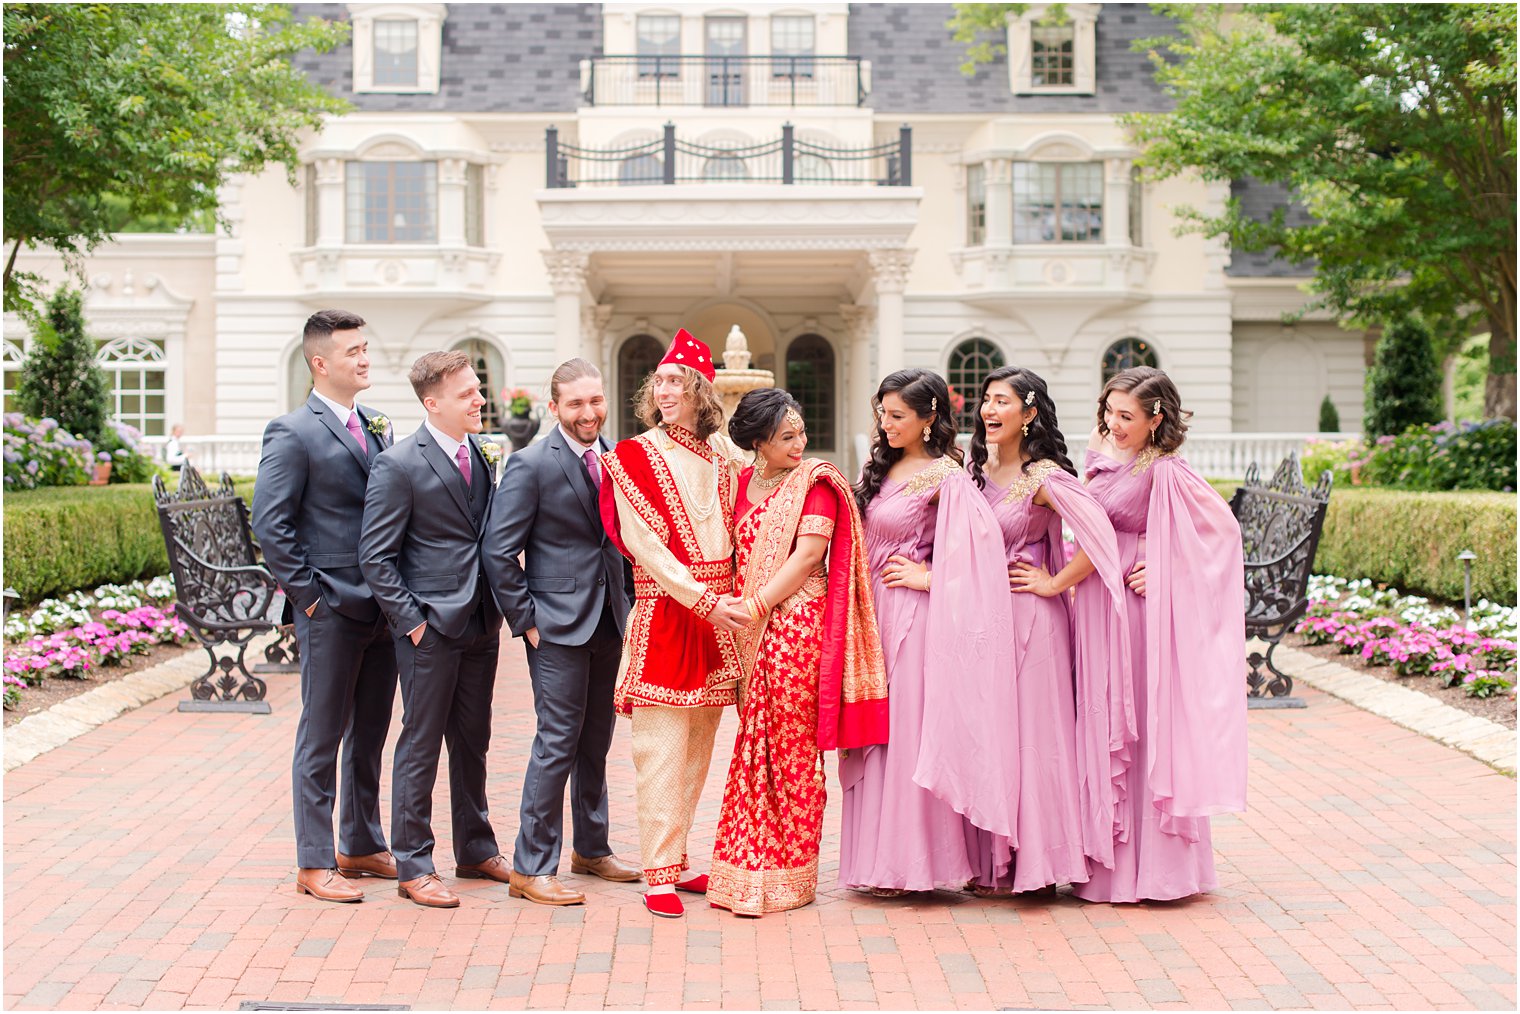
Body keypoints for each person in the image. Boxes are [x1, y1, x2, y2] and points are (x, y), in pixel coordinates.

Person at [708, 389, 887, 917]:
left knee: (790, 752)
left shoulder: (816, 484)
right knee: (751, 748)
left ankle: (790, 876)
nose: (800, 443)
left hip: (795, 630)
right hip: (750, 630)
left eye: (801, 433)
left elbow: (809, 556)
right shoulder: (741, 484)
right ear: (759, 443)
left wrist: (757, 603)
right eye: (787, 437)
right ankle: (743, 870)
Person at [839, 368, 1017, 896]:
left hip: (913, 620)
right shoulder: (885, 467)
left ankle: (911, 865)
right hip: (869, 617)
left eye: (897, 416)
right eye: (882, 414)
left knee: (905, 736)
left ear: (928, 418)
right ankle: (876, 861)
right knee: (873, 735)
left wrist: (930, 575)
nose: (885, 424)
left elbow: (983, 556)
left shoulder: (948, 477)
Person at [1075, 365, 1247, 903]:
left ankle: (1160, 870)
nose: (1114, 423)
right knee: (1103, 717)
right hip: (1099, 602)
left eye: (1126, 416)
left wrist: (1167, 568)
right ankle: (1107, 864)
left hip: (1138, 609)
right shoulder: (1105, 459)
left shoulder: (1167, 470)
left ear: (1156, 418)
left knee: (1142, 723)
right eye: (1110, 412)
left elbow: (1221, 537)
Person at [597, 328, 748, 919]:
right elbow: (645, 548)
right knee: (659, 749)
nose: (663, 391)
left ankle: (679, 861)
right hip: (669, 611)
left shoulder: (721, 455)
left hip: (719, 620)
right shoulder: (633, 455)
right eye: (658, 381)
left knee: (697, 750)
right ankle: (658, 871)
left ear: (701, 390)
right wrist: (705, 599)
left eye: (676, 381)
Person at [965, 366, 1132, 895]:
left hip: (1034, 623)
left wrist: (1055, 582)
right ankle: (1001, 862)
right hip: (985, 623)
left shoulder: (1045, 479)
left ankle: (1042, 866)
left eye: (1002, 402)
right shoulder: (974, 471)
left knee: (1037, 741)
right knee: (996, 737)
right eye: (986, 400)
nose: (989, 410)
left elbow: (1101, 535)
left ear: (1030, 413)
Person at [251, 309, 398, 904]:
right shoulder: (292, 431)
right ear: (320, 363)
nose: (364, 359)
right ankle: (313, 862)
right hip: (330, 608)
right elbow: (271, 523)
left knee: (370, 732)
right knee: (322, 733)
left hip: (382, 607)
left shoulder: (376, 424)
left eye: (366, 348)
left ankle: (359, 842)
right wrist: (309, 600)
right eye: (352, 351)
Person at [482, 358, 641, 907]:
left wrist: (633, 607)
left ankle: (591, 849)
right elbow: (499, 551)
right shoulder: (531, 464)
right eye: (575, 404)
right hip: (554, 628)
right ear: (554, 408)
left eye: (595, 401)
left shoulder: (615, 458)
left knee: (596, 740)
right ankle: (532, 865)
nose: (588, 412)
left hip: (609, 621)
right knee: (556, 742)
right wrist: (525, 621)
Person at [359, 350, 509, 909]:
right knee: (421, 742)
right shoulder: (398, 464)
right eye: (468, 392)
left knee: (474, 740)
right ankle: (414, 863)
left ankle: (474, 847)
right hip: (429, 627)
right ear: (432, 403)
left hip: (480, 621)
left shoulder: (484, 454)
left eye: (478, 389)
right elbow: (375, 556)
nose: (479, 399)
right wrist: (413, 624)